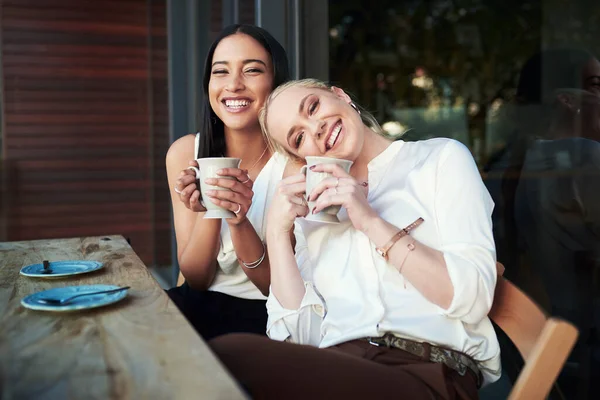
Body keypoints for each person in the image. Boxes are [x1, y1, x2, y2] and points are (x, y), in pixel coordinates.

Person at [209, 79, 501, 399]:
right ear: (302, 157)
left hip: (428, 373)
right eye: (299, 137)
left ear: (341, 95)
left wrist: (369, 220)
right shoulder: (314, 216)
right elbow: (298, 338)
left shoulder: (439, 160)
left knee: (229, 355)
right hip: (341, 369)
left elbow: (473, 299)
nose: (315, 128)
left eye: (314, 107)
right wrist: (279, 234)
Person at [165, 24, 290, 340]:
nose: (233, 85)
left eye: (252, 70)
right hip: (199, 304)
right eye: (220, 72)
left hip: (269, 315)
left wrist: (238, 219)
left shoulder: (295, 163)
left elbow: (273, 286)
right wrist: (210, 209)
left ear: (276, 81)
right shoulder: (184, 153)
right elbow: (196, 279)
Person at [498, 49, 600, 398]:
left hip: (551, 349)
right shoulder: (583, 160)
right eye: (596, 85)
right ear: (568, 100)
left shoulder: (525, 163)